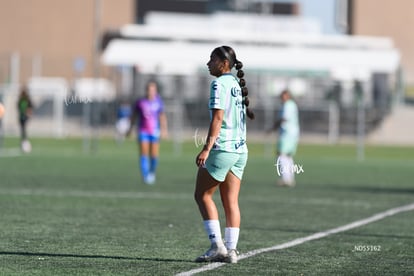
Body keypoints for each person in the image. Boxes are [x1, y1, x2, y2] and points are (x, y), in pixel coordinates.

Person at [194, 46, 254, 264]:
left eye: (212, 59)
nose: (208, 63)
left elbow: (217, 119)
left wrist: (206, 148)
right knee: (231, 202)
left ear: (224, 63)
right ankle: (232, 251)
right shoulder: (236, 84)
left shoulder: (218, 84)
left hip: (224, 149)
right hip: (240, 151)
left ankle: (217, 246)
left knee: (202, 195)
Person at [127, 80, 168, 185]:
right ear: (146, 90)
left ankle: (152, 173)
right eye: (149, 89)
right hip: (143, 131)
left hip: (154, 131)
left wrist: (164, 130)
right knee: (144, 153)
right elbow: (133, 116)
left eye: (153, 90)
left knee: (154, 154)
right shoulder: (140, 102)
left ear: (156, 91)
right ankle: (145, 176)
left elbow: (162, 116)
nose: (151, 91)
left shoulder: (158, 102)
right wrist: (130, 129)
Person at [271, 89, 300, 187]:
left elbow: (284, 118)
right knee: (288, 156)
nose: (283, 98)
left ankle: (286, 179)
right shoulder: (290, 104)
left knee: (281, 155)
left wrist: (273, 127)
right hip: (293, 133)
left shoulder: (288, 105)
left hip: (287, 133)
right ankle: (290, 179)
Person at [17, 86, 33, 153]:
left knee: (24, 129)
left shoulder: (27, 99)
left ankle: (25, 142)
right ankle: (23, 142)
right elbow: (18, 107)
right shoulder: (20, 99)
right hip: (21, 116)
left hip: (25, 116)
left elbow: (31, 106)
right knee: (22, 130)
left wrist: (28, 113)